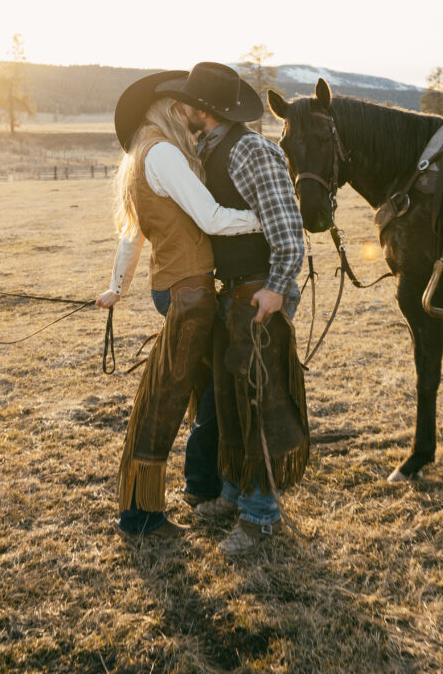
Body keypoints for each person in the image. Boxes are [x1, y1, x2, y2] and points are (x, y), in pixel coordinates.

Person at [96, 70, 264, 540]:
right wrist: (266, 217)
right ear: (169, 108)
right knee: (167, 400)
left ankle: (204, 481)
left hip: (174, 286)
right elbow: (211, 218)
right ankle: (141, 514)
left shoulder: (140, 154)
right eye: (187, 107)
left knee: (205, 386)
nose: (194, 115)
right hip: (189, 291)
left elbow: (132, 234)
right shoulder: (164, 152)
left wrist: (117, 287)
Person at [157, 62, 309, 557]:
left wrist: (277, 288)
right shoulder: (207, 149)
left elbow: (287, 230)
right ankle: (233, 492)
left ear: (203, 109)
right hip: (231, 293)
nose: (181, 109)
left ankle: (260, 514)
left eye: (186, 103)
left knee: (258, 404)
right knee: (227, 400)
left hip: (258, 293)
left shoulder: (251, 150)